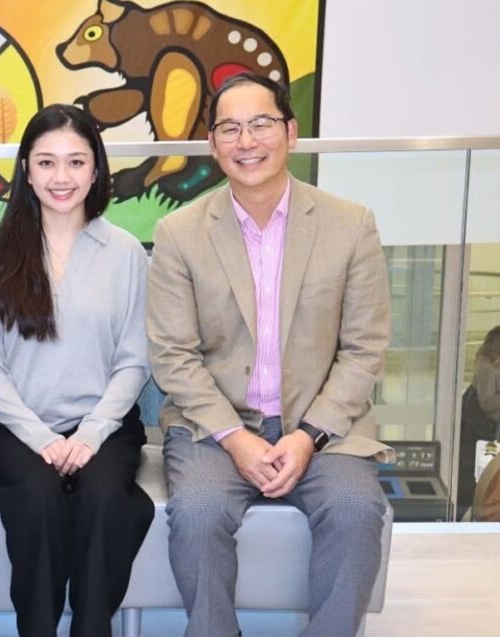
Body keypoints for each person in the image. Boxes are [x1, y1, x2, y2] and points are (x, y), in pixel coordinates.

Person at [147, 72, 393, 637]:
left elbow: (364, 348)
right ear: (212, 145)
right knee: (200, 514)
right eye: (229, 129)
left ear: (291, 132)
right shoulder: (179, 232)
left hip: (323, 426)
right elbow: (173, 355)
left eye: (261, 124)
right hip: (216, 426)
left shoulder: (350, 225)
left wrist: (308, 436)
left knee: (357, 513)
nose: (246, 141)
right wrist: (236, 438)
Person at [0, 103, 154, 637]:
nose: (61, 177)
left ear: (96, 169)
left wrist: (93, 433)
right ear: (26, 168)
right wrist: (41, 438)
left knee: (103, 498)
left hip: (103, 426)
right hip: (16, 429)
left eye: (76, 162)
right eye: (47, 162)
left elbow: (134, 360)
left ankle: (91, 628)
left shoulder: (125, 254)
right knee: (39, 499)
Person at [458, 326, 500, 516]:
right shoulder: (486, 367)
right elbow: (488, 403)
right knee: (472, 478)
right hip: (477, 431)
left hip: (486, 430)